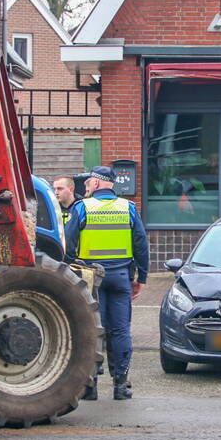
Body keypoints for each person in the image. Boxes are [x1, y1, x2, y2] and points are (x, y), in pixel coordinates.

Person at [64, 166, 149, 400]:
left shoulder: (82, 207)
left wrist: (69, 268)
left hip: (91, 279)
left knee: (92, 330)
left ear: (99, 183)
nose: (87, 187)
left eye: (89, 182)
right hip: (121, 277)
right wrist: (141, 278)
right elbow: (141, 244)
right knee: (120, 330)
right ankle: (120, 386)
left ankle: (90, 387)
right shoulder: (128, 208)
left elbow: (69, 243)